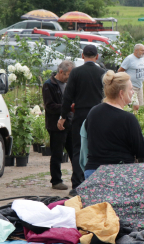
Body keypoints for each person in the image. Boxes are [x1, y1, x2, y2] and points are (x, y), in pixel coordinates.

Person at [58, 45, 106, 196]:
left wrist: (63, 116)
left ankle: (78, 185)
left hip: (80, 115)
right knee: (97, 148)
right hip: (98, 115)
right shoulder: (103, 73)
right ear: (97, 57)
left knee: (78, 149)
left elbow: (68, 96)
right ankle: (95, 183)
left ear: (82, 56)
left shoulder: (76, 72)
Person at [83, 71, 144, 179]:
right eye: (131, 89)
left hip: (93, 172)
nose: (133, 92)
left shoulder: (93, 112)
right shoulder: (128, 118)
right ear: (121, 93)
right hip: (118, 174)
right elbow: (142, 151)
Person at [42, 60, 74, 191]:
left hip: (70, 122)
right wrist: (69, 108)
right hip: (56, 125)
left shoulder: (69, 84)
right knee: (57, 154)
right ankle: (56, 180)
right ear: (61, 72)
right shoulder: (49, 85)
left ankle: (77, 179)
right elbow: (49, 107)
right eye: (68, 74)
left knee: (74, 152)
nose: (70, 78)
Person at [118, 44, 144, 110]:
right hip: (132, 87)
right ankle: (132, 119)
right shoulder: (129, 59)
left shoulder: (142, 58)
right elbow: (120, 71)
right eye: (142, 50)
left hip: (140, 86)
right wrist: (124, 82)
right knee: (135, 106)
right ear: (136, 51)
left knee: (139, 106)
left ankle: (136, 118)